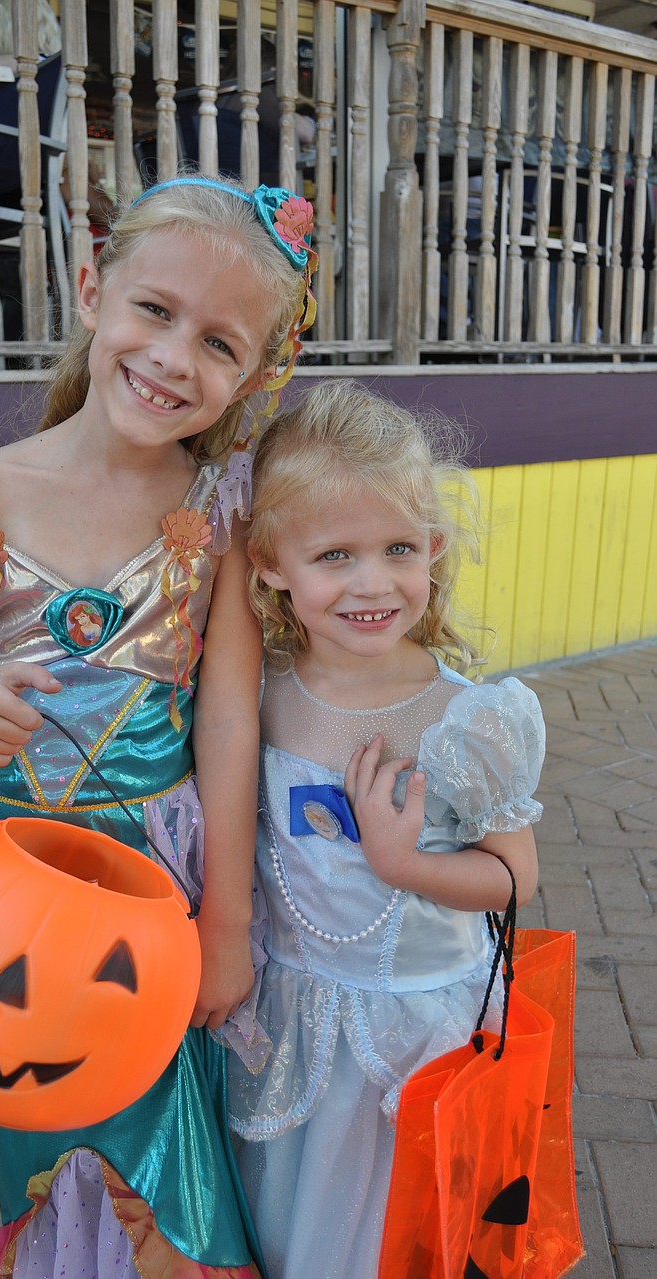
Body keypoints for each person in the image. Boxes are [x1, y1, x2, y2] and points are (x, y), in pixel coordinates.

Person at [0, 176, 317, 1279]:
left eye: (218, 342)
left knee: (159, 1143)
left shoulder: (217, 516)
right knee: (39, 1102)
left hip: (155, 881)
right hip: (5, 892)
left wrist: (222, 920)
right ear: (89, 290)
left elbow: (224, 717)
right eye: (153, 311)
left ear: (252, 374)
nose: (172, 358)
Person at [226, 381, 545, 1279]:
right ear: (272, 562)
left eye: (399, 548)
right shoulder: (261, 699)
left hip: (422, 1032)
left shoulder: (466, 719)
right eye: (335, 554)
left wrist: (399, 860)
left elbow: (515, 878)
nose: (374, 582)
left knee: (401, 1238)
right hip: (296, 1021)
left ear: (434, 550)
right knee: (296, 1222)